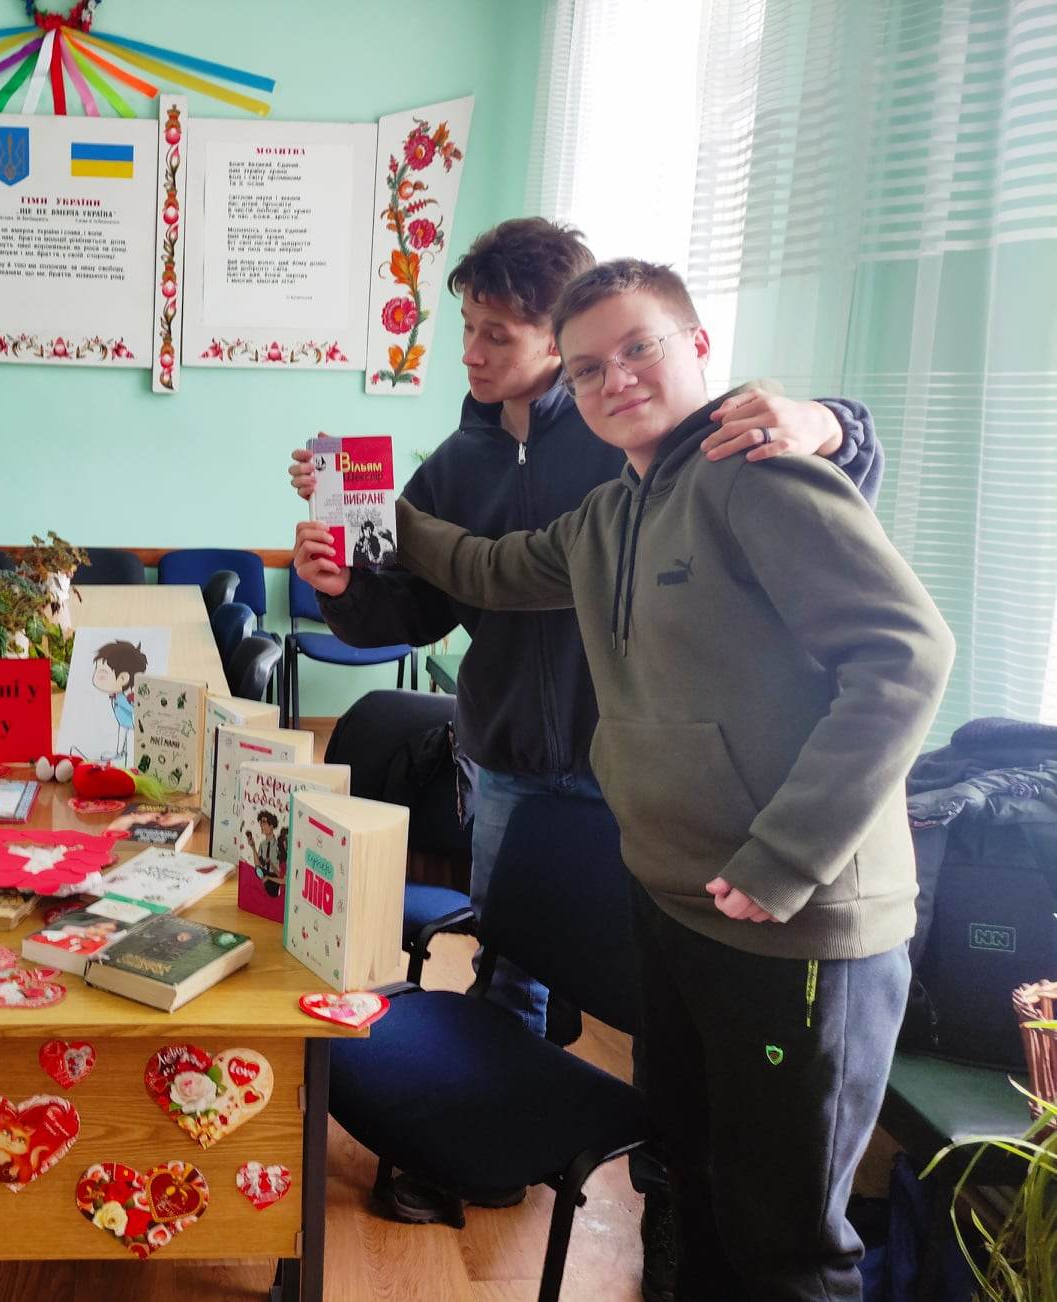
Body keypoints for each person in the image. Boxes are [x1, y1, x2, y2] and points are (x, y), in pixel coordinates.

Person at [294, 257, 954, 1301]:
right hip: (674, 898)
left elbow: (908, 656)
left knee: (787, 1242)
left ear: (699, 346)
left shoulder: (760, 474)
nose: (616, 379)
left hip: (796, 923)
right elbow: (483, 569)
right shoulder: (611, 513)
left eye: (639, 349)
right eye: (592, 367)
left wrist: (786, 858)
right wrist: (362, 505)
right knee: (691, 1184)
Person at [291, 219, 883, 1043]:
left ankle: (632, 1112)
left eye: (498, 335)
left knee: (649, 982)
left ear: (556, 336)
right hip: (508, 762)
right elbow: (433, 599)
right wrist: (347, 582)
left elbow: (773, 453)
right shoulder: (456, 467)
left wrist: (830, 421)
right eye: (467, 329)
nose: (471, 354)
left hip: (636, 770)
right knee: (508, 969)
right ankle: (508, 1113)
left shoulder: (626, 434)